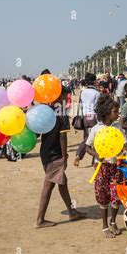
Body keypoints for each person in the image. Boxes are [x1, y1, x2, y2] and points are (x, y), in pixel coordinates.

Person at [36, 87, 86, 228]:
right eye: (66, 95)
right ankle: (40, 220)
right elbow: (62, 136)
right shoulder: (62, 114)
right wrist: (65, 156)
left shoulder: (46, 112)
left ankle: (71, 211)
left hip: (45, 151)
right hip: (55, 154)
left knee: (62, 182)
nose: (67, 98)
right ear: (60, 96)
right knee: (49, 185)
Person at [86, 95, 127, 238]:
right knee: (103, 197)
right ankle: (104, 226)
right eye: (116, 111)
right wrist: (96, 155)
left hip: (116, 166)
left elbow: (123, 144)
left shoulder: (118, 128)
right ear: (107, 113)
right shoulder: (96, 129)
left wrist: (126, 152)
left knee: (116, 197)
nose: (118, 114)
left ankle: (113, 221)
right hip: (101, 168)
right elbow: (87, 146)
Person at [73, 73, 100, 167]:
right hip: (93, 117)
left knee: (87, 137)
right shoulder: (97, 93)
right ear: (94, 81)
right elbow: (97, 107)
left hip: (85, 117)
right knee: (94, 139)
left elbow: (80, 105)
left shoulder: (83, 91)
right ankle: (93, 159)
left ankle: (79, 156)